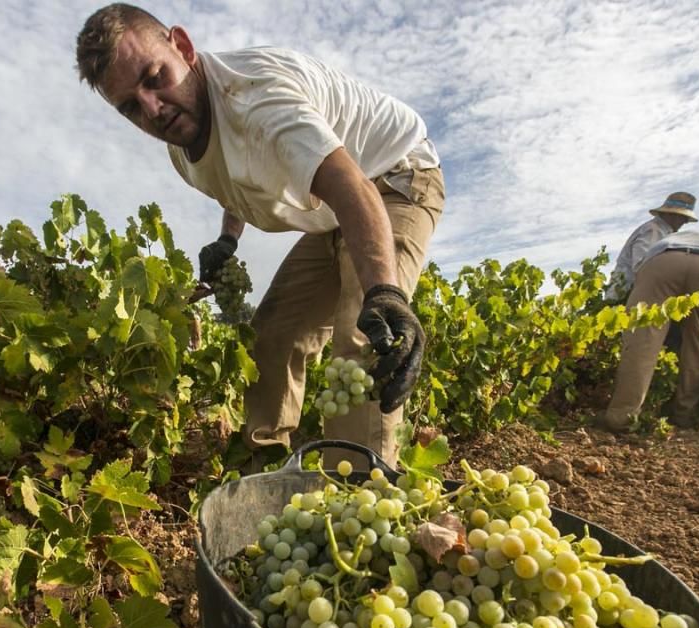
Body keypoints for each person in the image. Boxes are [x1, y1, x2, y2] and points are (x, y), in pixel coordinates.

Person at [75, 4, 443, 468]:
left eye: (154, 78)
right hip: (332, 211)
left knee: (365, 339)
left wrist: (386, 294)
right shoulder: (182, 143)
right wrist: (227, 240)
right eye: (130, 106)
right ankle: (267, 477)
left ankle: (359, 507)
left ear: (184, 48)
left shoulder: (258, 100)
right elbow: (238, 176)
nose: (152, 109)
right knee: (272, 333)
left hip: (393, 179)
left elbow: (352, 186)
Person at [600, 227, 699, 431]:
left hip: (664, 262)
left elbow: (630, 276)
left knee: (643, 340)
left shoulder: (655, 237)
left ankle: (622, 418)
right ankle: (685, 416)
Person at [604, 192, 697, 303]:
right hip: (625, 297)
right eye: (683, 217)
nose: (685, 222)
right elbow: (642, 266)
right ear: (672, 215)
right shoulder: (653, 231)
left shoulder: (664, 233)